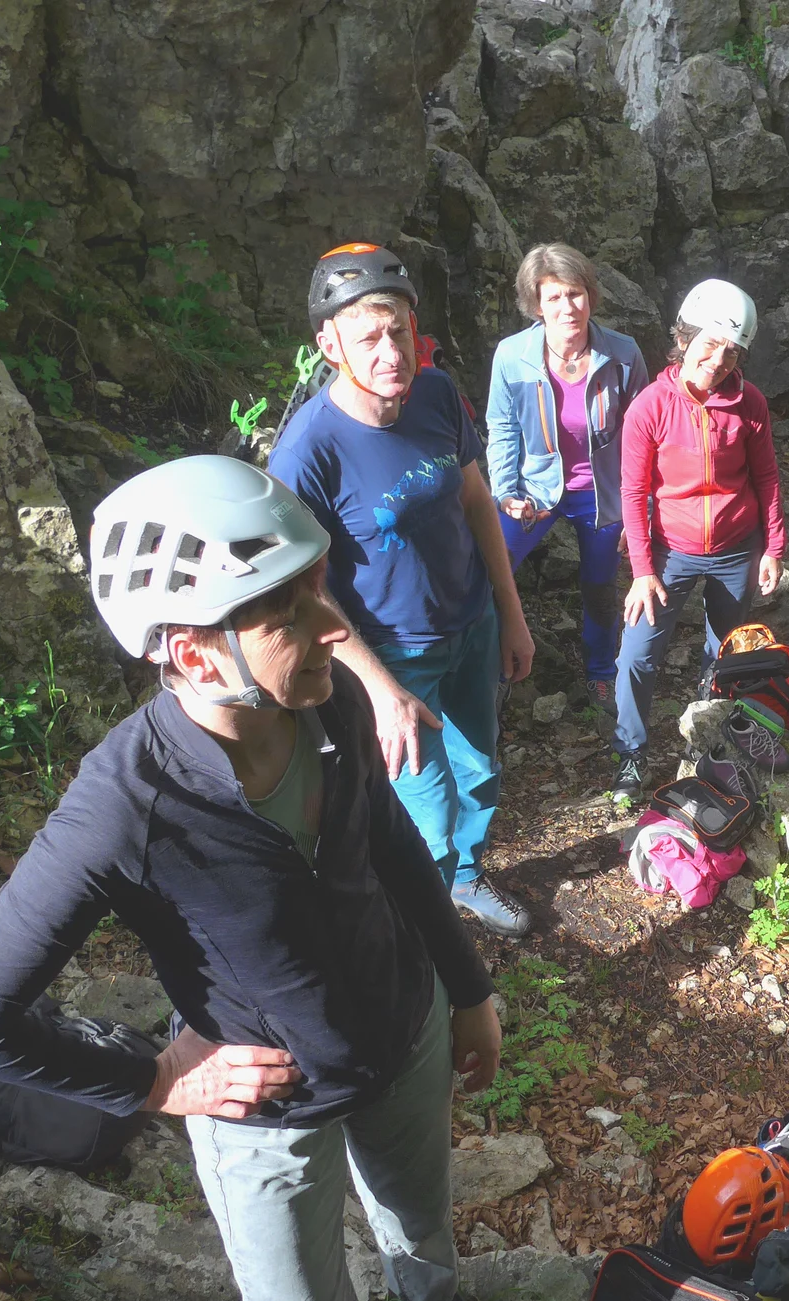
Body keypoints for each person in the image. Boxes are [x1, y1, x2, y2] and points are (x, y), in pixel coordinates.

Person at [0, 458, 506, 1301]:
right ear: (193, 655)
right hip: (270, 1110)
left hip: (406, 1030)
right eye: (287, 609)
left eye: (320, 582)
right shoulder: (125, 804)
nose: (333, 623)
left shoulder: (331, 697)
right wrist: (155, 1081)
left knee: (421, 1227)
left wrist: (468, 989)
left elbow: (392, 843)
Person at [271, 243, 536, 937]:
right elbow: (307, 590)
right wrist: (381, 690)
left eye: (399, 332)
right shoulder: (308, 452)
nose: (392, 353)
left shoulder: (439, 394)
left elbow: (476, 502)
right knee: (426, 804)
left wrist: (511, 614)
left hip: (471, 626)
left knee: (479, 767)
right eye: (369, 338)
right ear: (331, 346)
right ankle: (426, 927)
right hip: (390, 654)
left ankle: (468, 880)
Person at [611, 278, 786, 802]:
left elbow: (768, 478)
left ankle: (704, 734)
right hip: (670, 551)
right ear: (684, 338)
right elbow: (633, 489)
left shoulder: (749, 403)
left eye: (732, 350)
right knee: (636, 656)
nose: (720, 358)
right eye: (710, 342)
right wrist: (643, 571)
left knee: (723, 652)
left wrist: (774, 547)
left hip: (736, 547)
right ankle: (630, 754)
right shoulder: (649, 407)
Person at [487, 244, 649, 713]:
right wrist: (504, 492)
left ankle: (601, 674)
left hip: (603, 497)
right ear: (536, 305)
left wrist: (642, 514)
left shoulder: (622, 353)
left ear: (590, 297)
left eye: (575, 294)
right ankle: (496, 670)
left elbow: (645, 437)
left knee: (599, 586)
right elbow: (501, 429)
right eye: (554, 297)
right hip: (534, 491)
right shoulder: (511, 356)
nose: (567, 308)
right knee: (492, 576)